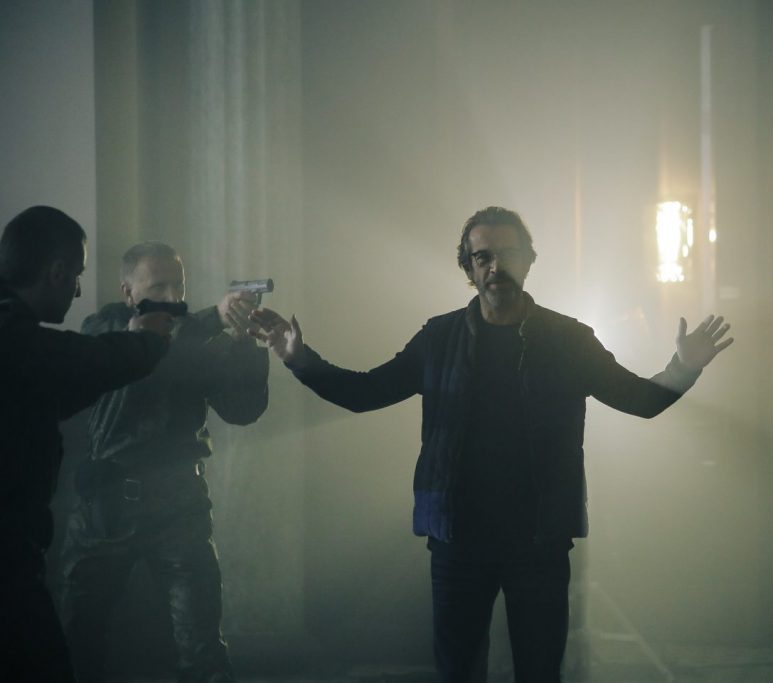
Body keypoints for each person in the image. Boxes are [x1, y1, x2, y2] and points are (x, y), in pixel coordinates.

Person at [249, 206, 733, 683]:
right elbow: (365, 393)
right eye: (483, 257)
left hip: (539, 540)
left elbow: (639, 401)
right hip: (458, 540)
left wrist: (684, 367)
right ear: (469, 268)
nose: (496, 267)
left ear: (528, 261)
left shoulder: (569, 339)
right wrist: (298, 358)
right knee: (458, 673)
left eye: (508, 254)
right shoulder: (439, 338)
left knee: (539, 673)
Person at [60, 241, 270, 683]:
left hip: (180, 507)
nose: (173, 296)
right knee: (79, 643)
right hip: (106, 510)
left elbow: (243, 411)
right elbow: (144, 345)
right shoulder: (106, 327)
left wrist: (244, 345)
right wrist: (214, 318)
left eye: (179, 285)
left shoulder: (196, 340)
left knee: (203, 650)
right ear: (128, 292)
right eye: (158, 286)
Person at [0, 206, 171, 682]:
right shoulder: (15, 338)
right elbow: (75, 362)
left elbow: (55, 387)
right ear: (56, 272)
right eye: (76, 275)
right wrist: (145, 342)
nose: (77, 290)